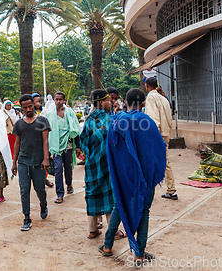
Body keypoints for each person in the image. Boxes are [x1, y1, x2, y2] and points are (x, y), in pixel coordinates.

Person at [99, 88, 167, 265]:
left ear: (125, 102)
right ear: (143, 103)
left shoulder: (116, 121)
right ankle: (140, 254)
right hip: (144, 177)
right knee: (144, 211)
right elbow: (159, 149)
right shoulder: (147, 122)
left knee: (119, 206)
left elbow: (111, 151)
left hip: (123, 176)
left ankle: (107, 245)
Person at [80, 90, 125, 240]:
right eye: (108, 100)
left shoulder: (88, 120)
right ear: (100, 102)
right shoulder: (109, 120)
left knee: (91, 193)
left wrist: (90, 155)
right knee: (110, 195)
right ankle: (115, 232)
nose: (110, 102)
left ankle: (92, 230)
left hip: (92, 164)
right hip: (107, 164)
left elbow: (83, 142)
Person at [12, 94, 51, 231]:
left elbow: (46, 141)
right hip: (23, 161)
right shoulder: (19, 124)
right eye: (25, 107)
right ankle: (27, 218)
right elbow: (17, 144)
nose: (28, 109)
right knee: (24, 190)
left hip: (39, 162)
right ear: (21, 108)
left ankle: (43, 203)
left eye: (30, 106)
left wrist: (46, 159)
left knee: (39, 188)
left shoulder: (42, 121)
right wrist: (14, 162)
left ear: (34, 104)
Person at [45, 91, 81, 204]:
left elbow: (75, 130)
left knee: (68, 167)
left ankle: (69, 184)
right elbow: (46, 133)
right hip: (55, 146)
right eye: (56, 99)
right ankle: (59, 194)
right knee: (58, 168)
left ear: (64, 100)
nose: (58, 101)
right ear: (54, 100)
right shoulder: (49, 115)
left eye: (61, 99)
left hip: (68, 144)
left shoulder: (70, 113)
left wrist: (78, 146)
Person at [145, 77, 176, 200]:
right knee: (166, 162)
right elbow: (169, 118)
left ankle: (148, 190)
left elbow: (153, 119)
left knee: (149, 161)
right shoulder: (163, 99)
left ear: (147, 86)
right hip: (165, 133)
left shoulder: (150, 98)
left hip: (156, 134)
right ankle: (171, 189)